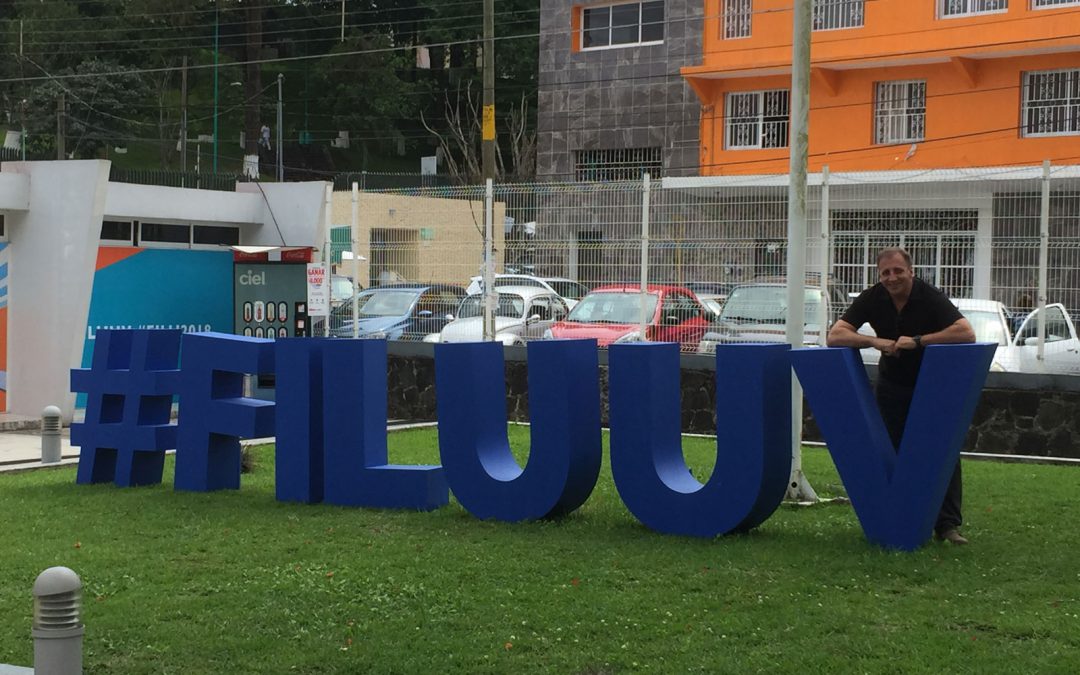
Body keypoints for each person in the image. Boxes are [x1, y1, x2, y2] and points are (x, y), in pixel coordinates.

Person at [827, 247, 976, 545]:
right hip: (892, 385)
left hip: (932, 385)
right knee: (893, 449)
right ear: (879, 276)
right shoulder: (873, 297)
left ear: (911, 271)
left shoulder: (929, 296)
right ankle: (900, 516)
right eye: (885, 273)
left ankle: (947, 526)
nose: (892, 277)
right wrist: (873, 341)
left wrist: (920, 341)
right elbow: (835, 336)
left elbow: (965, 332)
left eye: (897, 271)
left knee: (941, 451)